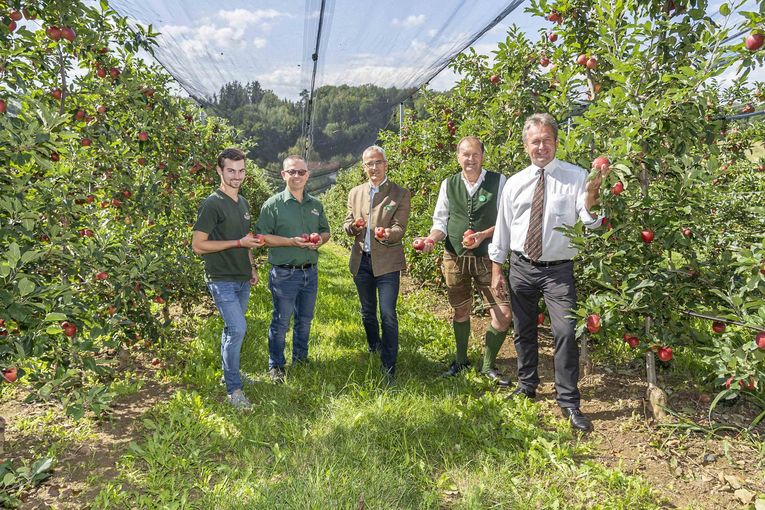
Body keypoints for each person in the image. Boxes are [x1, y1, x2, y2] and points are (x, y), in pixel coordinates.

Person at [489, 113, 608, 433]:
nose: (541, 146)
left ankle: (568, 401)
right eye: (534, 141)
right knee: (523, 331)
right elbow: (503, 227)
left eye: (546, 140)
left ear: (556, 142)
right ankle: (526, 385)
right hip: (522, 267)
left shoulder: (576, 177)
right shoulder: (514, 183)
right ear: (526, 145)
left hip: (558, 271)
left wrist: (594, 196)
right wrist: (497, 270)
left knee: (566, 333)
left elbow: (591, 220)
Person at [417, 136, 513, 385]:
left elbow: (506, 220)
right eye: (465, 155)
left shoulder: (498, 181)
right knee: (460, 309)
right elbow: (441, 223)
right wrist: (431, 239)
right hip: (455, 256)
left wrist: (483, 235)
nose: (470, 159)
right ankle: (460, 361)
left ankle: (488, 365)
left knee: (502, 314)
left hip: (487, 258)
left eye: (475, 154)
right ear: (458, 157)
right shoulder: (448, 184)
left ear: (482, 156)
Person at [192, 147, 264, 409]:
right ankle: (234, 389)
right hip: (221, 278)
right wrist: (237, 242)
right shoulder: (212, 204)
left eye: (241, 170)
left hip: (242, 278)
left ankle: (229, 373)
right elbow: (198, 245)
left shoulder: (243, 203)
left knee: (231, 331)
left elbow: (245, 241)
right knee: (237, 329)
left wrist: (252, 267)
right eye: (231, 170)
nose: (237, 176)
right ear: (220, 171)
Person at [255, 155, 330, 383]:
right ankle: (276, 365)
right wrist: (291, 241)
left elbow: (326, 231)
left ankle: (300, 358)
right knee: (280, 322)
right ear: (283, 175)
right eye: (292, 172)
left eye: (301, 172)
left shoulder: (315, 205)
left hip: (310, 271)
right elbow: (262, 237)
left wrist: (320, 240)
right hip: (284, 273)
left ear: (307, 175)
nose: (297, 176)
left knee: (304, 320)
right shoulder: (273, 204)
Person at [343, 145, 411, 382]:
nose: (374, 167)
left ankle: (389, 366)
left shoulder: (399, 193)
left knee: (388, 314)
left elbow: (399, 228)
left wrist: (387, 234)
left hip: (387, 263)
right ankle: (375, 346)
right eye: (369, 163)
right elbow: (347, 223)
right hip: (362, 260)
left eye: (378, 162)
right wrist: (353, 227)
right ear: (364, 167)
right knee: (367, 312)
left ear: (386, 164)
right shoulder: (355, 193)